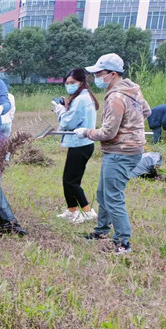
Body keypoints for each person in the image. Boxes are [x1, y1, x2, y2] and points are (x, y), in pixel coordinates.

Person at [74, 53, 151, 255]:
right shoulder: (132, 89)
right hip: (129, 149)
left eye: (100, 74)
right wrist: (132, 126)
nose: (96, 78)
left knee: (113, 198)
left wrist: (86, 132)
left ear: (113, 74)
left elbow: (108, 132)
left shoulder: (116, 96)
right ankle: (101, 231)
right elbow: (146, 112)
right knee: (103, 194)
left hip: (120, 152)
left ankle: (122, 243)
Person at [51, 68, 99, 225]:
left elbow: (67, 123)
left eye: (72, 83)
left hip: (81, 144)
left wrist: (60, 110)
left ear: (82, 82)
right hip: (81, 144)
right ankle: (72, 210)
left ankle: (87, 212)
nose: (69, 86)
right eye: (67, 83)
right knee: (68, 179)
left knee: (72, 181)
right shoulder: (83, 98)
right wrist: (66, 108)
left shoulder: (81, 100)